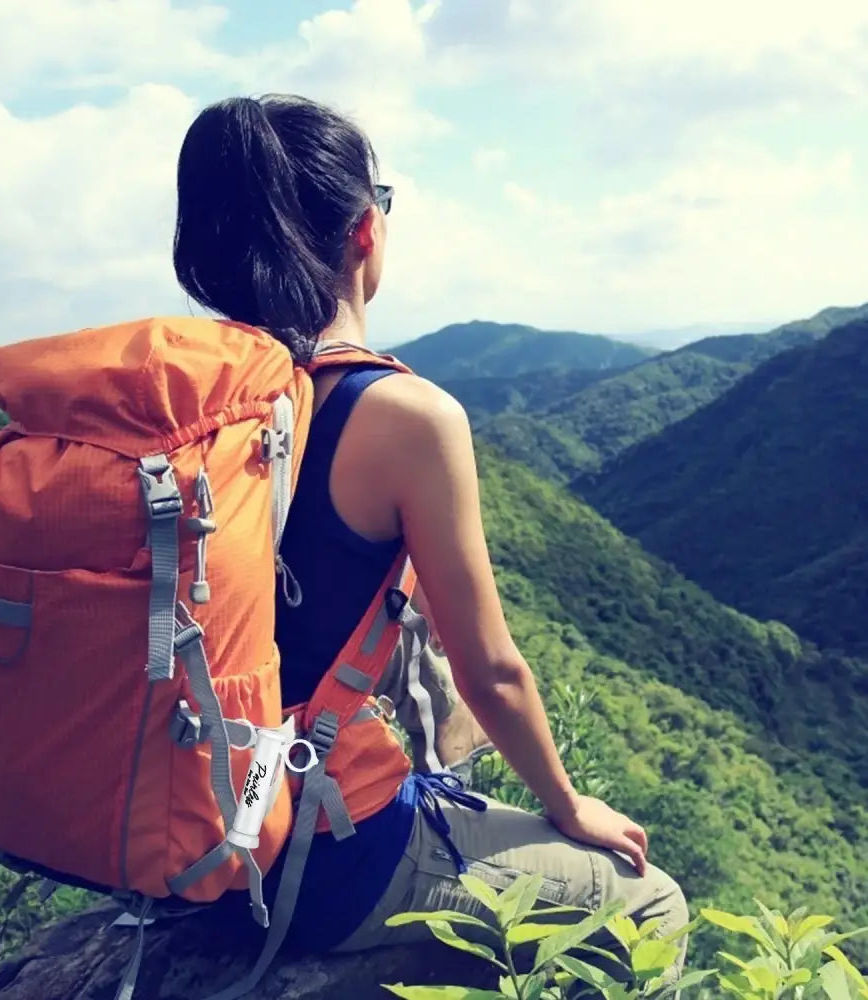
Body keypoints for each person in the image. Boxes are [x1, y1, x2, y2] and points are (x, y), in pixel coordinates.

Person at [172, 93, 689, 981]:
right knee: (652, 903)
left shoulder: (179, 411)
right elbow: (491, 670)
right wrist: (566, 805)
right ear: (364, 232)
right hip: (317, 852)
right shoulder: (403, 416)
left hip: (178, 828)